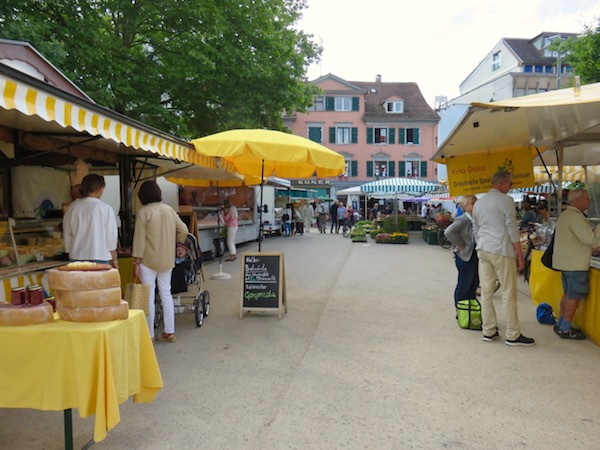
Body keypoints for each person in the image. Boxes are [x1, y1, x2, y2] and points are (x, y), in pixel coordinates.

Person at [472, 169, 535, 346]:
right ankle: (513, 334)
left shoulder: (479, 203)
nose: (511, 186)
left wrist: (482, 242)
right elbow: (511, 228)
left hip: (484, 248)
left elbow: (475, 228)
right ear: (503, 183)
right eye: (510, 183)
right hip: (501, 248)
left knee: (486, 291)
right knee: (508, 292)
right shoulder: (506, 201)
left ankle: (489, 330)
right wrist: (520, 253)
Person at [132, 180, 188, 343]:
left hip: (148, 260)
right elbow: (183, 229)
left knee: (149, 295)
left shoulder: (144, 212)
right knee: (166, 293)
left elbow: (139, 239)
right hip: (167, 259)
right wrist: (178, 242)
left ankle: (149, 334)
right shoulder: (169, 210)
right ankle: (169, 331)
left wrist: (136, 262)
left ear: (142, 196)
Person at [552, 189, 600, 340]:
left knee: (567, 294)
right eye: (586, 199)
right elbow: (589, 239)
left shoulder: (566, 215)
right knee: (573, 296)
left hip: (566, 262)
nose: (589, 202)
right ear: (579, 200)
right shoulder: (575, 217)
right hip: (575, 263)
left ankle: (560, 323)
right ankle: (566, 327)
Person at [63, 174, 119, 268]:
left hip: (76, 257)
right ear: (99, 188)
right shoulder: (105, 208)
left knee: (79, 283)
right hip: (100, 257)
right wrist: (115, 260)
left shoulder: (72, 208)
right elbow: (111, 238)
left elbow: (67, 234)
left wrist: (69, 249)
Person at [444, 195, 479, 309]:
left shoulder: (474, 219)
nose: (476, 205)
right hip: (465, 256)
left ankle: (470, 309)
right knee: (464, 284)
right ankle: (460, 310)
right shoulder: (463, 219)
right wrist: (460, 244)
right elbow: (449, 232)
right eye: (473, 203)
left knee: (473, 284)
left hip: (474, 255)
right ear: (466, 206)